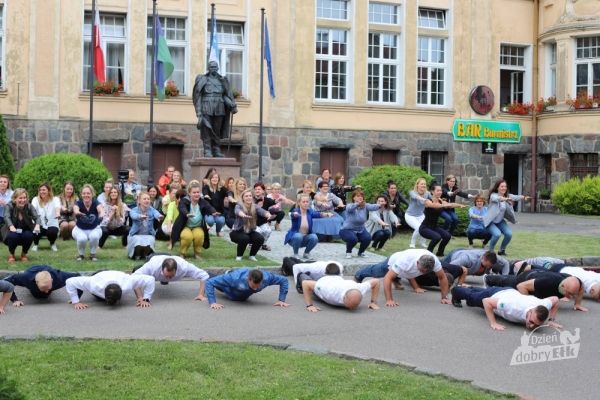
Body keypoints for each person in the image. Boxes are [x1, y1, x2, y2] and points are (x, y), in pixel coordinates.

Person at [450, 286, 560, 331]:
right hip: (495, 295)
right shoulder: (514, 306)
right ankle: (456, 291)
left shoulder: (543, 305)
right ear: (530, 311)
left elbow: (555, 299)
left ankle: (471, 287)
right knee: (472, 298)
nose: (532, 326)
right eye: (531, 321)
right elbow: (487, 302)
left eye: (536, 325)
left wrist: (551, 320)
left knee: (477, 293)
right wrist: (493, 323)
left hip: (510, 292)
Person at [193, 60, 238, 157]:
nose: (213, 69)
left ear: (218, 68)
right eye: (211, 67)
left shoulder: (222, 80)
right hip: (206, 106)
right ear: (208, 68)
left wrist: (231, 105)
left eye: (215, 67)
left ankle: (216, 149)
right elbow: (198, 97)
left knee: (217, 130)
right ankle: (207, 150)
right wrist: (199, 112)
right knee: (206, 129)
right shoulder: (202, 79)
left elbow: (225, 95)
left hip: (219, 107)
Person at [381, 249, 452, 307]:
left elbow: (442, 277)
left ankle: (396, 280)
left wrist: (444, 298)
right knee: (373, 271)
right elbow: (388, 277)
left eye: (426, 272)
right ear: (417, 262)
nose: (423, 273)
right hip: (391, 262)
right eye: (422, 271)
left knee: (406, 271)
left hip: (403, 270)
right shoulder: (406, 260)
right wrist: (389, 300)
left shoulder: (435, 262)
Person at [483, 270, 584, 310]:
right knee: (509, 282)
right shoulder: (548, 282)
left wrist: (577, 303)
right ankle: (488, 278)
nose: (571, 297)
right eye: (569, 294)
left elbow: (581, 287)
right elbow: (521, 286)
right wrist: (528, 305)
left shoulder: (574, 282)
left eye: (573, 294)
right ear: (563, 287)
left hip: (541, 281)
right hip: (527, 278)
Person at [302, 263, 380, 312]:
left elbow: (376, 281)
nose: (352, 309)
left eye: (356, 305)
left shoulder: (360, 288)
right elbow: (305, 284)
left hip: (338, 280)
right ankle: (301, 273)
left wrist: (373, 302)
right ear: (344, 298)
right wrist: (310, 305)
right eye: (351, 305)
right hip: (323, 283)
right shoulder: (329, 291)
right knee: (304, 277)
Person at [483, 179, 530, 256]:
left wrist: (523, 197)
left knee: (509, 234)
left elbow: (515, 197)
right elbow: (496, 199)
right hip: (490, 221)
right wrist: (504, 199)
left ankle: (502, 250)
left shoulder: (508, 196)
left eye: (505, 186)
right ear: (497, 187)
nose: (504, 188)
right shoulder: (493, 195)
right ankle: (490, 252)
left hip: (500, 221)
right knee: (497, 234)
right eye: (502, 186)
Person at [65, 271, 155, 310]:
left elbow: (150, 279)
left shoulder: (128, 283)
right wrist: (75, 302)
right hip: (98, 275)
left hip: (119, 275)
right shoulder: (93, 284)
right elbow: (70, 282)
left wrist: (145, 299)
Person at [204, 268, 289, 310]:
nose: (255, 288)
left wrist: (281, 300)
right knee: (209, 277)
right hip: (227, 287)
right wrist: (212, 302)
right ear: (248, 279)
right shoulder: (234, 278)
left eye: (258, 285)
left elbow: (284, 280)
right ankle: (208, 273)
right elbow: (210, 283)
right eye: (253, 285)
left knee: (240, 297)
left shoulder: (267, 278)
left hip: (240, 295)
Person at [171, 182, 216, 259]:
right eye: (194, 192)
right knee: (187, 236)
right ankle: (183, 253)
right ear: (189, 193)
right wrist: (187, 213)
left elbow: (209, 206)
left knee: (199, 236)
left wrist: (213, 211)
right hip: (185, 226)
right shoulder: (184, 201)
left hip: (197, 226)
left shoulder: (202, 201)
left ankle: (197, 254)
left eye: (198, 192)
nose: (196, 194)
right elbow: (182, 208)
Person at [133, 255, 209, 301]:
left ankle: (164, 280)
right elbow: (135, 277)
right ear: (161, 269)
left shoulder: (184, 266)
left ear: (177, 269)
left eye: (171, 276)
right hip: (154, 257)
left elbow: (204, 275)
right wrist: (140, 297)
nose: (169, 277)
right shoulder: (152, 266)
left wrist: (201, 295)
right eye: (166, 276)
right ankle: (163, 280)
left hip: (172, 257)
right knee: (136, 270)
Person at [419, 183, 466, 256]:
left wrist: (459, 205)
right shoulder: (428, 201)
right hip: (425, 228)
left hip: (434, 227)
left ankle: (440, 252)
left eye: (441, 190)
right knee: (437, 237)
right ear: (432, 192)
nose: (440, 192)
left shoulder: (441, 201)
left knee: (447, 236)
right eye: (438, 190)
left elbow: (451, 204)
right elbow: (433, 205)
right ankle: (428, 254)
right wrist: (444, 205)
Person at [3, 265, 80, 306]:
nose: (46, 292)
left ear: (52, 281)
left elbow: (78, 277)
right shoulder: (25, 278)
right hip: (31, 271)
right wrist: (15, 300)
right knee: (39, 295)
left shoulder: (60, 277)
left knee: (43, 296)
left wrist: (76, 298)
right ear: (36, 282)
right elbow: (7, 283)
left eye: (48, 288)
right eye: (43, 289)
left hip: (49, 271)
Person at [230, 189, 271, 261]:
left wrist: (268, 214)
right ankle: (239, 256)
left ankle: (252, 255)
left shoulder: (255, 206)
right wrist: (243, 215)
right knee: (245, 238)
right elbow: (237, 211)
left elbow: (262, 211)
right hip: (237, 232)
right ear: (243, 198)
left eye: (250, 196)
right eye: (246, 196)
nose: (248, 197)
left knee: (260, 238)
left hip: (250, 231)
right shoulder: (238, 205)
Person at [3, 188, 40, 263]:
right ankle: (11, 254)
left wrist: (37, 225)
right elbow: (6, 217)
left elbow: (37, 217)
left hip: (25, 229)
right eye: (20, 198)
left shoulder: (29, 206)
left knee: (29, 235)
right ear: (15, 198)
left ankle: (24, 254)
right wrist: (11, 226)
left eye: (24, 198)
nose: (23, 200)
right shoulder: (9, 205)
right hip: (12, 229)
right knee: (13, 236)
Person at [339, 189, 379, 259]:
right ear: (354, 198)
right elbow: (349, 209)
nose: (360, 197)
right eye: (358, 196)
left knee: (368, 238)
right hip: (347, 230)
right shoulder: (350, 205)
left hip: (360, 230)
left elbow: (373, 207)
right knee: (353, 239)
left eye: (361, 196)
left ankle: (361, 252)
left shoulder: (365, 205)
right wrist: (357, 204)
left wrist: (381, 204)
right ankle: (348, 252)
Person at [284, 194, 326, 259]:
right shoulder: (296, 211)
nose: (306, 203)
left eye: (307, 202)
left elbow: (317, 214)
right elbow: (292, 214)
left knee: (314, 237)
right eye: (303, 202)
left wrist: (325, 214)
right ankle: (295, 254)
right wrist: (294, 214)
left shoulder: (310, 211)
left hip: (305, 237)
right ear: (299, 203)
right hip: (294, 238)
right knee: (298, 236)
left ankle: (306, 253)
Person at [72, 184, 104, 261]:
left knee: (94, 236)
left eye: (88, 193)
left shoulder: (96, 202)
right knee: (82, 239)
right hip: (80, 229)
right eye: (84, 193)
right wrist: (78, 213)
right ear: (81, 194)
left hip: (94, 228)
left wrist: (101, 215)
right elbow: (75, 209)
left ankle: (93, 254)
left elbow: (101, 210)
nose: (86, 195)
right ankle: (81, 255)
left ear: (92, 194)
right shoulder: (78, 203)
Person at [443, 249, 509, 285]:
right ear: (483, 258)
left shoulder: (493, 257)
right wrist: (453, 283)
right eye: (488, 265)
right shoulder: (468, 259)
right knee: (439, 268)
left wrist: (504, 280)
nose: (489, 267)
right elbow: (450, 267)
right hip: (455, 255)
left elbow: (506, 263)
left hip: (468, 252)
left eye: (490, 266)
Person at [128, 192, 163, 260]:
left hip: (148, 234)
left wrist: (159, 216)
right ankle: (137, 254)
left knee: (150, 240)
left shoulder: (152, 209)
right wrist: (139, 216)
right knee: (137, 240)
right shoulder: (134, 210)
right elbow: (133, 215)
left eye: (148, 199)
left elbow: (156, 213)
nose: (147, 200)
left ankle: (145, 255)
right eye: (144, 199)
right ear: (139, 201)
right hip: (136, 234)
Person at [30, 182, 60, 252]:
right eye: (40, 190)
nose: (41, 192)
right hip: (39, 223)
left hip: (51, 223)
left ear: (49, 191)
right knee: (36, 230)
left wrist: (57, 213)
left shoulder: (55, 199)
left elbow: (57, 207)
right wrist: (37, 224)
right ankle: (35, 244)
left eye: (44, 190)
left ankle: (52, 244)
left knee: (52, 232)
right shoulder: (35, 199)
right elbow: (33, 211)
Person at [405, 178, 430, 249]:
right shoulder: (412, 192)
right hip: (410, 216)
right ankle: (412, 243)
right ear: (417, 185)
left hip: (421, 215)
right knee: (419, 228)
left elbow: (433, 199)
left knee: (426, 227)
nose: (423, 185)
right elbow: (416, 197)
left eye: (424, 184)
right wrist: (424, 199)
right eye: (422, 184)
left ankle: (422, 242)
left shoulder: (427, 193)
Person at [202, 170, 228, 237]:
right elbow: (204, 191)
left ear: (218, 179)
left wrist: (230, 196)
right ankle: (205, 231)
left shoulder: (222, 189)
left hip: (219, 212)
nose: (214, 179)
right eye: (213, 178)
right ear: (210, 179)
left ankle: (218, 232)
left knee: (221, 221)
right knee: (210, 221)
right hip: (208, 212)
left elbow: (228, 193)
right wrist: (206, 195)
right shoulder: (206, 187)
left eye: (216, 178)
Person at [253, 182, 277, 251]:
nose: (257, 191)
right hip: (253, 223)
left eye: (259, 189)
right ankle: (252, 244)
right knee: (259, 231)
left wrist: (272, 214)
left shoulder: (267, 200)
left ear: (263, 191)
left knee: (268, 230)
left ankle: (262, 244)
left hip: (262, 222)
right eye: (256, 189)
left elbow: (275, 204)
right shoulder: (251, 199)